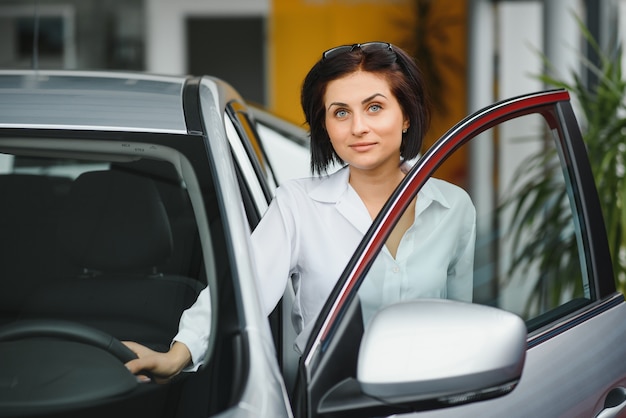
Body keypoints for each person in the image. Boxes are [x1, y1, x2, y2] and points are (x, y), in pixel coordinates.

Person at [124, 41, 476, 381]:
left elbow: (461, 321)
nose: (358, 128)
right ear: (325, 125)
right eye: (340, 112)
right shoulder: (298, 205)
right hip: (333, 399)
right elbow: (242, 287)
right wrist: (178, 354)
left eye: (374, 107)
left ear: (406, 116)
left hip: (433, 397)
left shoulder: (453, 206)